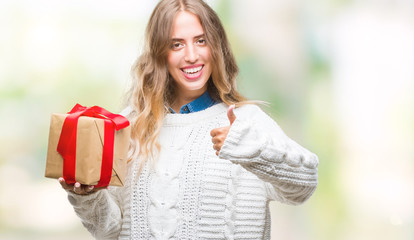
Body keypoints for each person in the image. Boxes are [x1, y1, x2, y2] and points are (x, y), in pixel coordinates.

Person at [59, 0, 319, 239]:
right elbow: (111, 232)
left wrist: (253, 150)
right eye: (177, 44)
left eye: (201, 41)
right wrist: (88, 197)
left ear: (216, 47)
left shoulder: (244, 123)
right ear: (160, 54)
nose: (192, 55)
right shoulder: (128, 126)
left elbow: (303, 187)